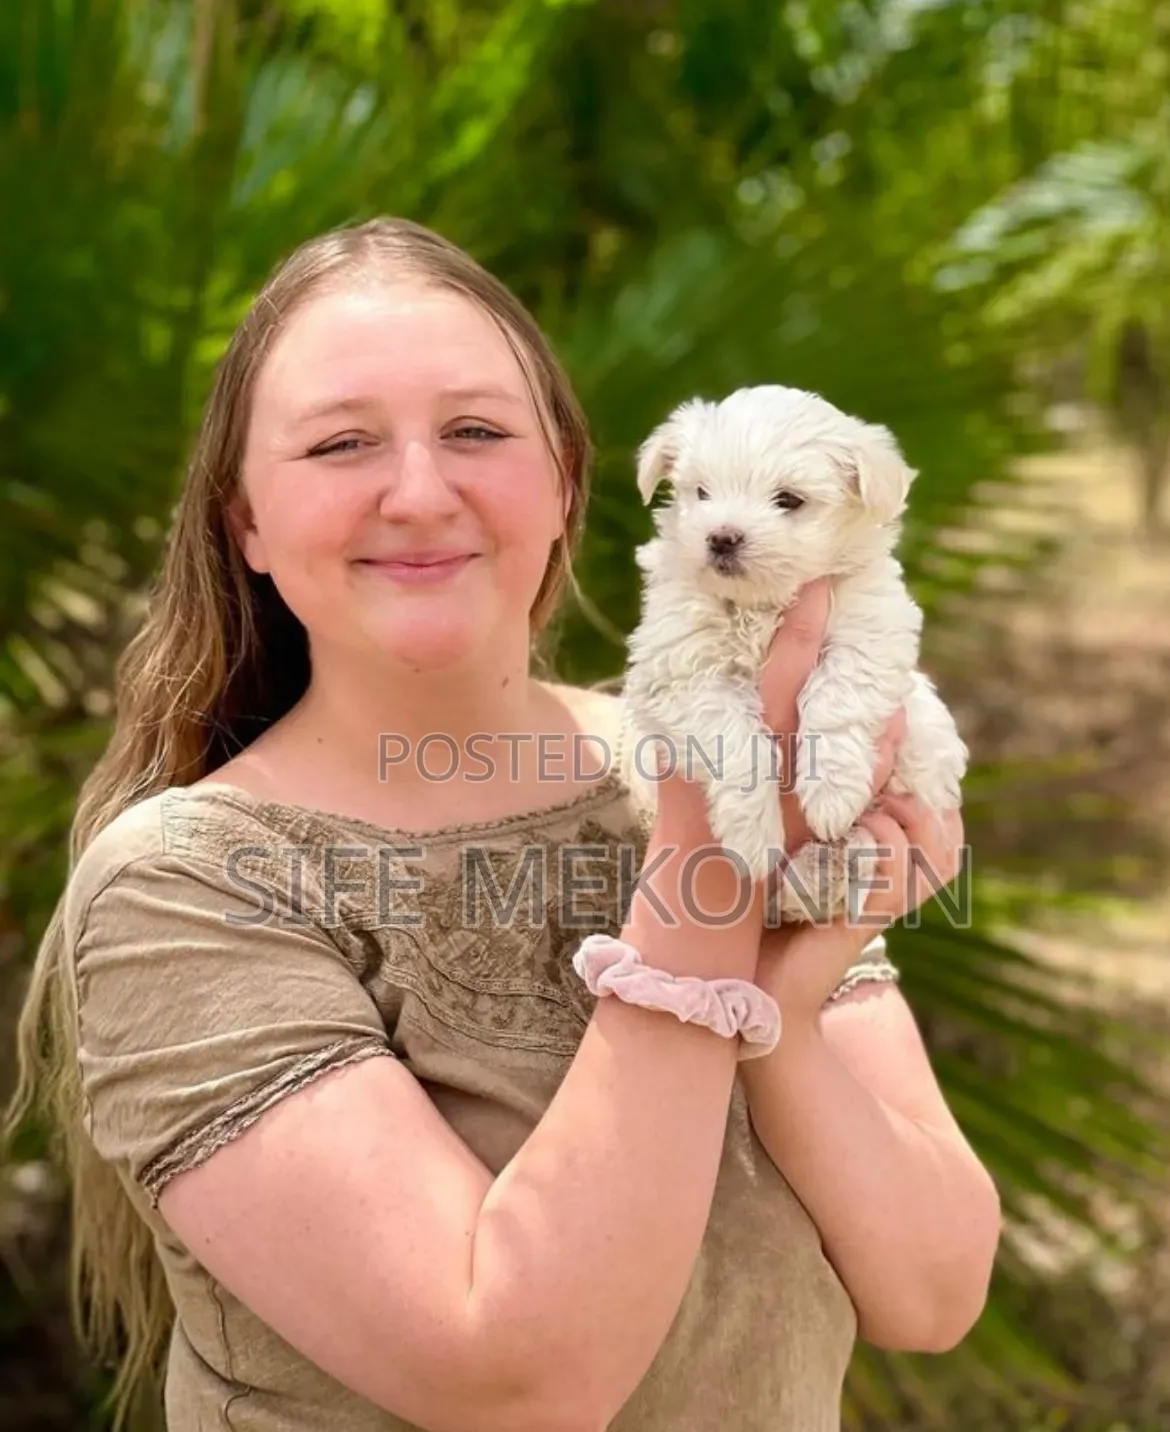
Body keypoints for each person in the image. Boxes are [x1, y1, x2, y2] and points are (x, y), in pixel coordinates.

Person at [5, 216, 1001, 1432]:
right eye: (340, 443)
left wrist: (778, 1015)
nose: (420, 492)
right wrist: (707, 875)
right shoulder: (190, 885)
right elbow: (521, 1383)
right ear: (244, 523)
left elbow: (932, 1290)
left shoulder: (700, 768)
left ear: (567, 482)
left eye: (477, 431)